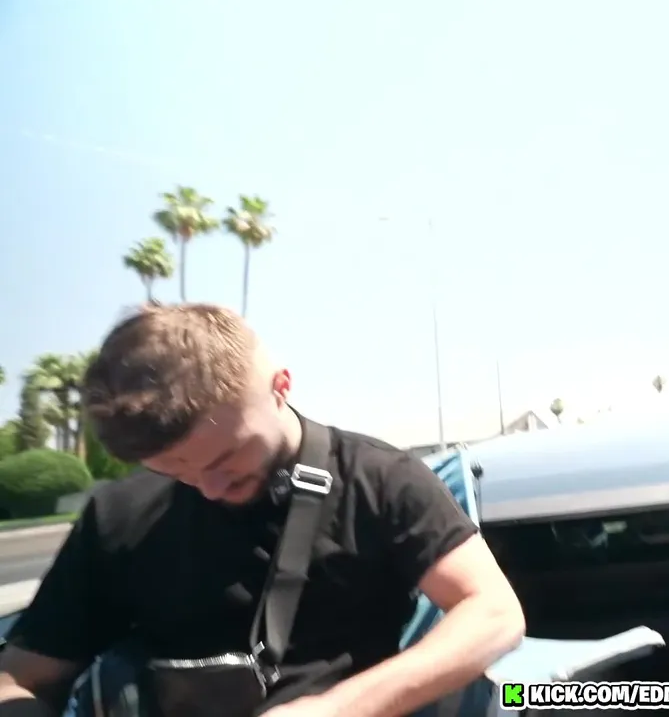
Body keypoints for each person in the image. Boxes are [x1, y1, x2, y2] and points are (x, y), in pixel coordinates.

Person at [0, 303, 525, 717]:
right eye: (177, 470)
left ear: (281, 387)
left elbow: (494, 613)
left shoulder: (381, 478)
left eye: (226, 458)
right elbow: (20, 678)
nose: (209, 487)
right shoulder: (116, 513)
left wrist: (340, 708)